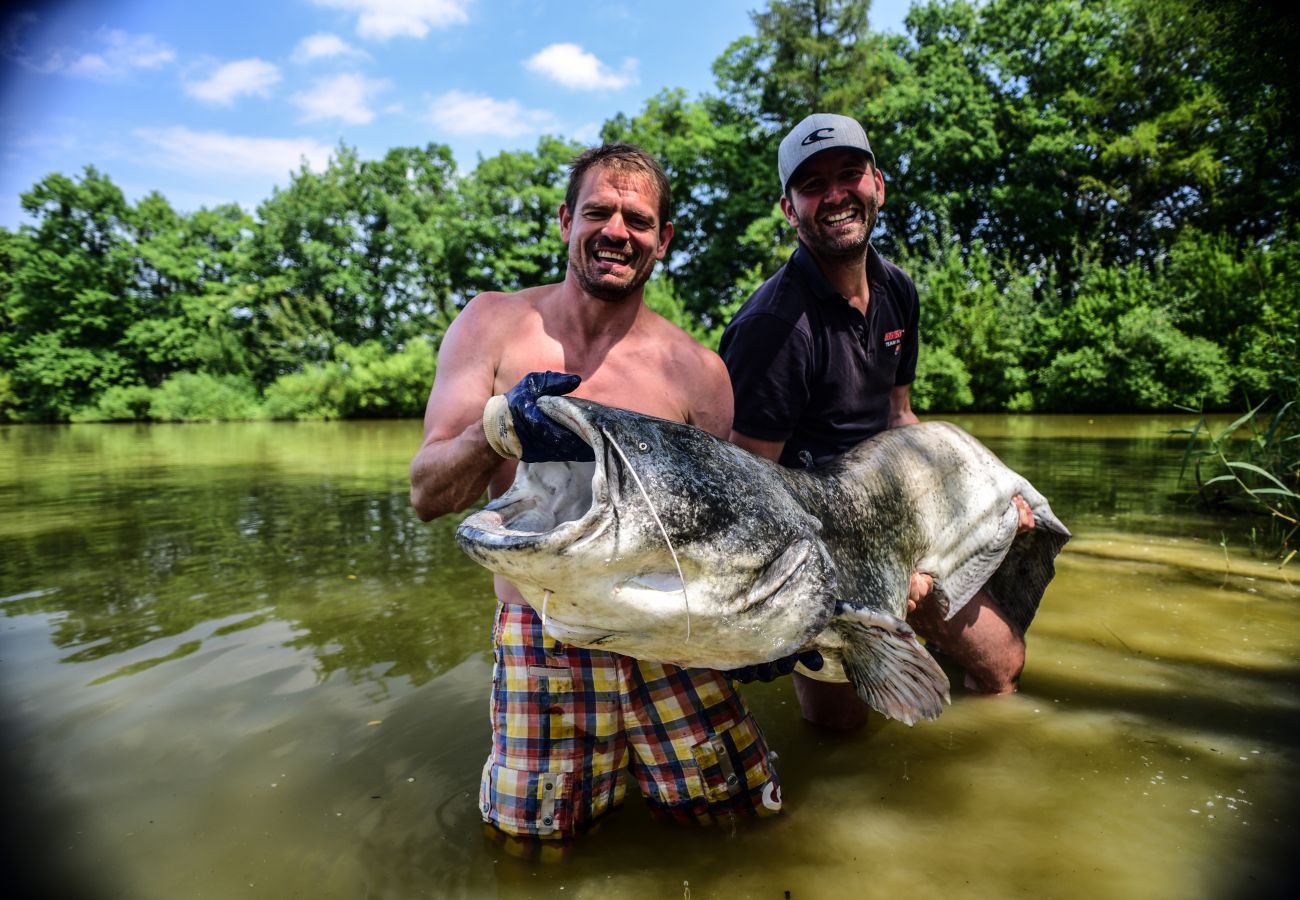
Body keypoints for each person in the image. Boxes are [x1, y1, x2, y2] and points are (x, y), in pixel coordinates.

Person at [409, 143, 784, 855]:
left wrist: (758, 631)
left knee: (738, 830)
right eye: (598, 212)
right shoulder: (492, 324)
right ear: (564, 221)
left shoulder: (699, 373)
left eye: (638, 219)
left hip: (673, 634)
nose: (617, 231)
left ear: (663, 240)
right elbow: (428, 493)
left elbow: (730, 535)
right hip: (541, 631)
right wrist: (498, 428)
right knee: (534, 851)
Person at [719, 113, 1031, 732]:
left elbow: (901, 419)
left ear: (878, 185)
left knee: (1003, 668)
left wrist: (987, 502)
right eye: (812, 185)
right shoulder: (772, 329)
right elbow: (749, 492)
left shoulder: (898, 291)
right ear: (789, 208)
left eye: (848, 174)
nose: (835, 195)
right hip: (825, 548)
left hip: (903, 519)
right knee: (842, 736)